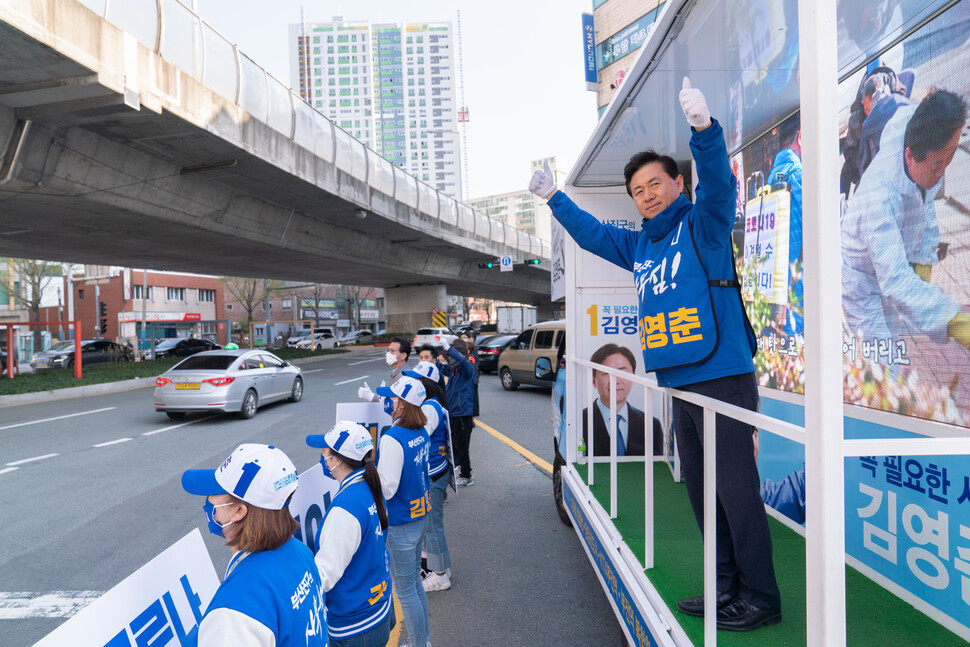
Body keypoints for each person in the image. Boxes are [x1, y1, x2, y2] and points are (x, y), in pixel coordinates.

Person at [530, 77, 781, 631]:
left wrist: (704, 131)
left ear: (676, 182)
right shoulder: (640, 243)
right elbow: (594, 236)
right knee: (700, 493)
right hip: (677, 383)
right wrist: (554, 199)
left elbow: (720, 188)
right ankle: (724, 588)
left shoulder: (703, 224)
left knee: (738, 494)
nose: (646, 194)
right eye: (638, 191)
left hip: (721, 375)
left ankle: (761, 597)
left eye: (654, 184)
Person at [842, 89, 970, 347]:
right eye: (937, 163)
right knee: (882, 359)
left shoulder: (918, 128)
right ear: (910, 156)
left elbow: (923, 211)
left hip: (887, 262)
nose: (943, 172)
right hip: (861, 282)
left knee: (895, 335)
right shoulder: (878, 200)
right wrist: (953, 319)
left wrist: (923, 260)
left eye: (951, 157)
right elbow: (897, 281)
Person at [181, 443, 327, 645]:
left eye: (215, 492)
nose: (209, 500)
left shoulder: (233, 615)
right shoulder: (301, 551)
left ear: (239, 511)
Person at [306, 421, 394, 646]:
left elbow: (324, 575)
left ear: (336, 461)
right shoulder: (370, 485)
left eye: (324, 453)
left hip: (356, 625)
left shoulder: (346, 508)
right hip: (377, 607)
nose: (322, 459)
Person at [375, 377, 432, 647]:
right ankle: (423, 639)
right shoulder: (420, 430)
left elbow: (387, 488)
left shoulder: (392, 437)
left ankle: (421, 644)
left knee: (406, 590)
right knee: (415, 585)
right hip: (420, 514)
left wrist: (368, 475)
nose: (389, 402)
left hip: (401, 523)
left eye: (393, 398)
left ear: (403, 404)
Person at [404, 361, 455, 593]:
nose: (412, 382)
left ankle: (440, 575)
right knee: (432, 524)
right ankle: (441, 567)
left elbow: (419, 436)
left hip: (433, 474)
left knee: (433, 526)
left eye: (416, 379)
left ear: (426, 384)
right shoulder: (429, 404)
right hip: (434, 472)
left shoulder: (430, 408)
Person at [581, 343, 661, 457]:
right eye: (606, 373)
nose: (616, 380)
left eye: (622, 372)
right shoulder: (578, 422)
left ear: (634, 377)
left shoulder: (651, 425)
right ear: (594, 381)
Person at [766, 115, 803, 336]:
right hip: (795, 283)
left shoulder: (771, 177)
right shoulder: (798, 174)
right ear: (801, 137)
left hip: (774, 284)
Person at [438, 338, 477, 487]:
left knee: (462, 446)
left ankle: (466, 476)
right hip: (454, 414)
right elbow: (441, 368)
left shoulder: (467, 370)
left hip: (462, 414)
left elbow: (462, 361)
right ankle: (463, 472)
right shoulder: (454, 371)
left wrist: (449, 349)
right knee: (456, 445)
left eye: (451, 357)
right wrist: (434, 360)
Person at [358, 336, 411, 402]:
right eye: (388, 350)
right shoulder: (398, 372)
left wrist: (371, 397)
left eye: (392, 351)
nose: (388, 354)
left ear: (403, 356)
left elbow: (396, 404)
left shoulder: (403, 376)